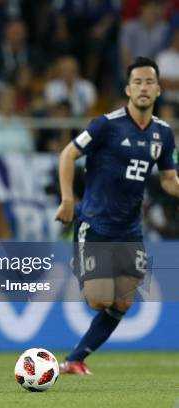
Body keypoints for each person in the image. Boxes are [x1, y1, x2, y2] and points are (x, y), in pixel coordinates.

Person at [55, 56, 179, 375]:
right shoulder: (106, 125)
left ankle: (74, 359)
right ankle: (79, 261)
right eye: (137, 82)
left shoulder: (164, 134)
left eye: (149, 82)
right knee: (99, 300)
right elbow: (68, 154)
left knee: (123, 303)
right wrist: (68, 199)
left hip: (130, 229)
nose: (143, 87)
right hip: (95, 223)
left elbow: (168, 179)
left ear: (158, 89)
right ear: (127, 89)